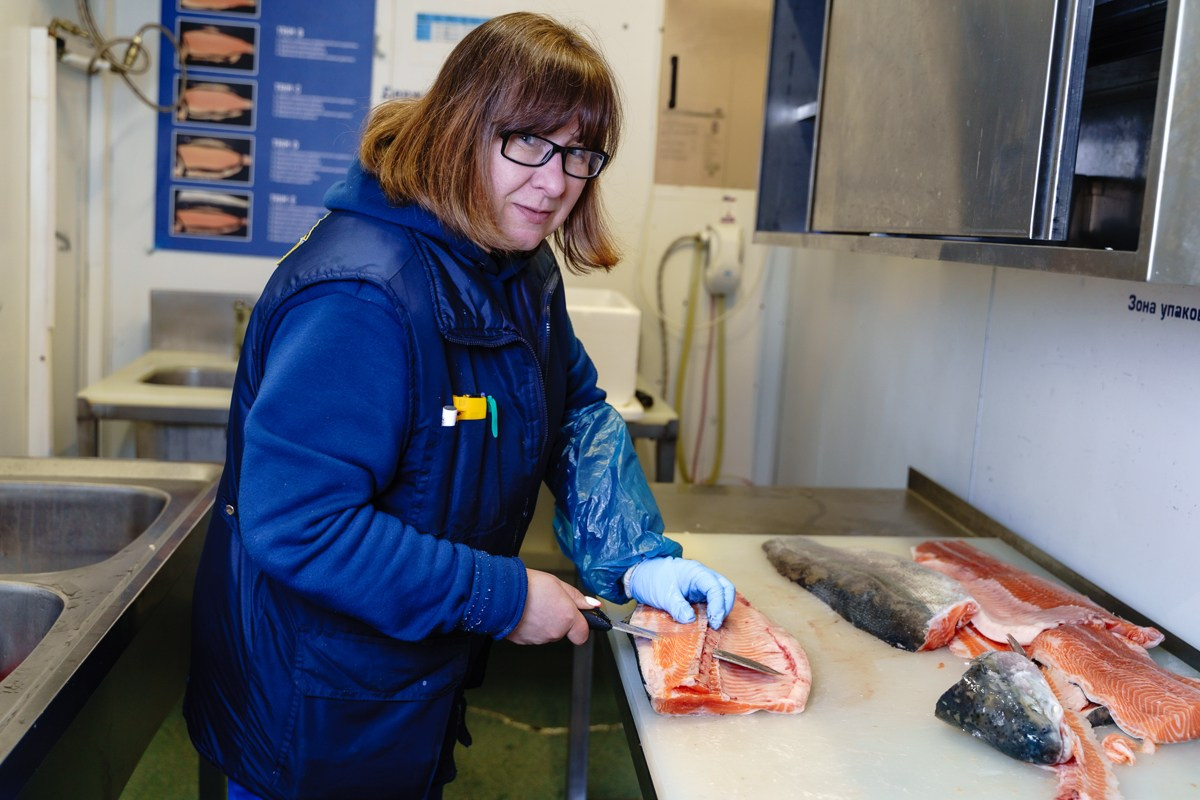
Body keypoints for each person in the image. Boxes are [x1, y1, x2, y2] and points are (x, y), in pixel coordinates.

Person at [183, 12, 736, 800]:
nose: (556, 181)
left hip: (405, 684)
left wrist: (636, 552)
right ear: (460, 128)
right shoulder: (364, 294)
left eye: (581, 153)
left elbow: (573, 409)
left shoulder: (513, 265)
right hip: (308, 710)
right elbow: (301, 524)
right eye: (529, 142)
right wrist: (505, 598)